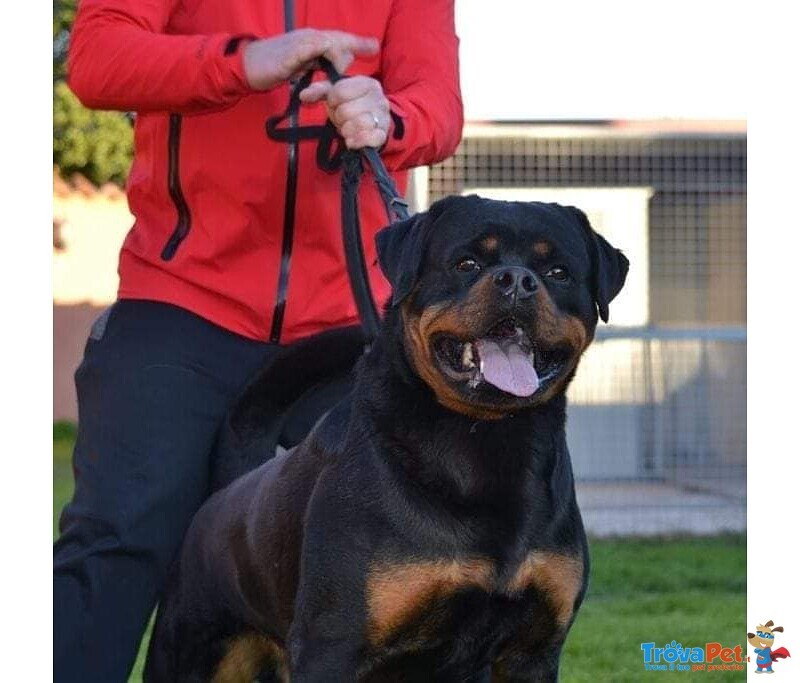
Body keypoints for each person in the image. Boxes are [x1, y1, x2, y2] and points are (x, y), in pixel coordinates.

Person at [52, 1, 462, 680]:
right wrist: (242, 63)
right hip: (178, 300)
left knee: (371, 560)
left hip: (344, 321)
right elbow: (96, 58)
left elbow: (438, 104)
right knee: (118, 540)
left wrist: (392, 117)